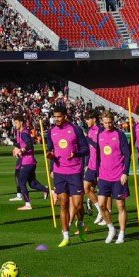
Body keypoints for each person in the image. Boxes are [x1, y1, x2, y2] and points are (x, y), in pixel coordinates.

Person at [46, 105, 89, 246]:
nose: (57, 119)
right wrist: (50, 155)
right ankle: (66, 236)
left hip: (75, 171)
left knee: (77, 205)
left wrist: (76, 154)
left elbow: (86, 149)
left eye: (59, 116)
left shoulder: (75, 129)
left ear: (65, 116)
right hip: (59, 172)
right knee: (63, 203)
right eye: (55, 117)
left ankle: (81, 223)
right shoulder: (51, 132)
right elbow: (50, 149)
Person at [91, 110, 131, 243]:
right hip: (104, 176)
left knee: (120, 206)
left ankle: (122, 233)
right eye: (106, 123)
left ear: (113, 121)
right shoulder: (100, 135)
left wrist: (125, 172)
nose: (108, 125)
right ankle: (111, 229)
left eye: (110, 122)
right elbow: (97, 156)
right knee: (102, 205)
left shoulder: (119, 134)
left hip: (118, 176)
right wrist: (97, 174)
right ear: (102, 122)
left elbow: (127, 155)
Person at [9, 117, 48, 210]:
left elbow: (30, 144)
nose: (15, 124)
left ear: (21, 122)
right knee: (33, 184)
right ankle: (50, 191)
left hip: (27, 162)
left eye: (17, 122)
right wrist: (14, 147)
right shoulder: (22, 132)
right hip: (29, 161)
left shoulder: (24, 133)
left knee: (21, 182)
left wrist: (22, 150)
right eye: (14, 123)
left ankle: (28, 204)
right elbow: (22, 144)